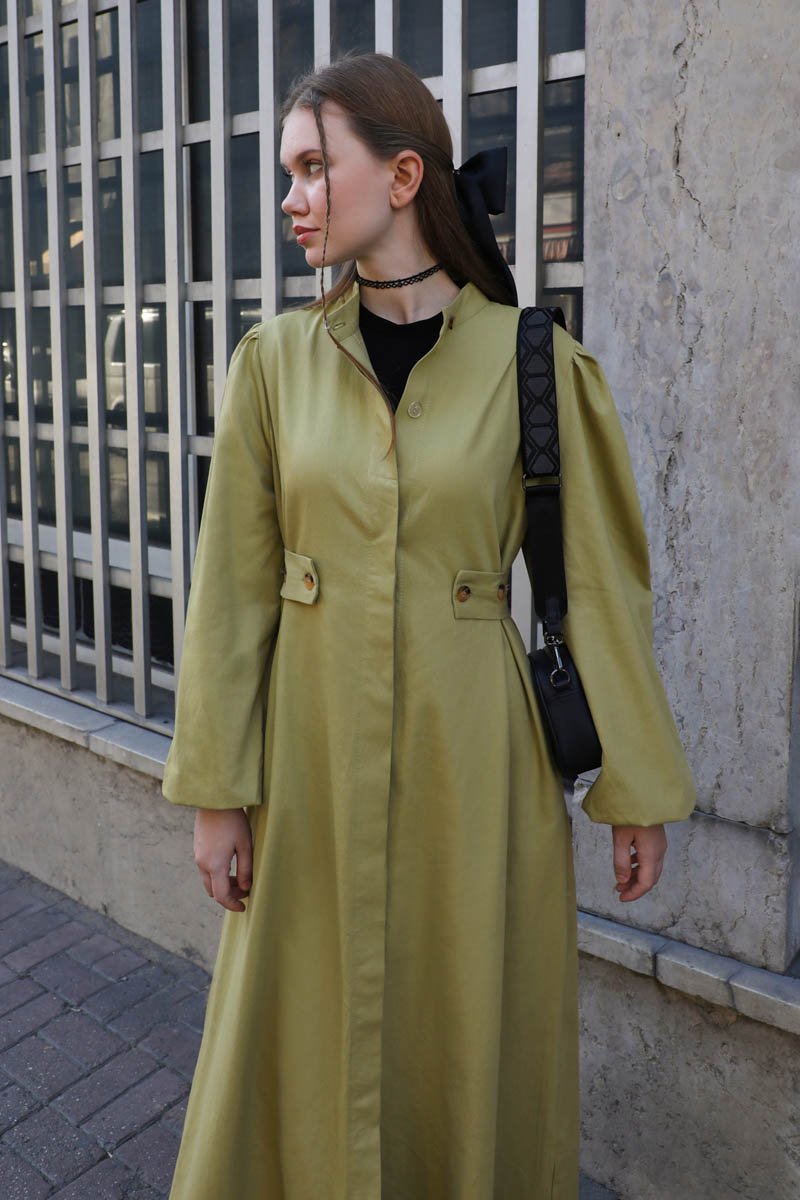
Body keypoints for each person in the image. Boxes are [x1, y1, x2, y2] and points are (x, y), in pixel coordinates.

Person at [163, 50, 695, 1200]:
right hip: (305, 760)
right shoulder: (274, 366)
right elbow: (232, 595)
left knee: (462, 1023)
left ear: (403, 177)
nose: (292, 198)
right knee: (294, 1021)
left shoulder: (535, 364)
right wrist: (216, 793)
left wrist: (635, 790)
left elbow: (601, 589)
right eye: (288, 173)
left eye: (314, 168)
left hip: (476, 760)